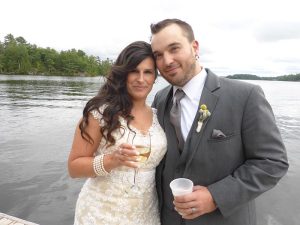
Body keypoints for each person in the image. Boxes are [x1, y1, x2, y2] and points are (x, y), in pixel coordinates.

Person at [150, 18, 289, 225]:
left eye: (174, 48)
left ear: (194, 47)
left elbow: (272, 162)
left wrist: (216, 196)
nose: (167, 61)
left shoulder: (245, 96)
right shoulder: (160, 99)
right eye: (158, 55)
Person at [68, 41, 167, 225]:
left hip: (147, 214)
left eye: (147, 72)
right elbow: (74, 167)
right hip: (102, 214)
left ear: (155, 77)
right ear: (123, 74)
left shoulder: (159, 115)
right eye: (134, 71)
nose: (140, 79)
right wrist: (111, 160)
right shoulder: (100, 113)